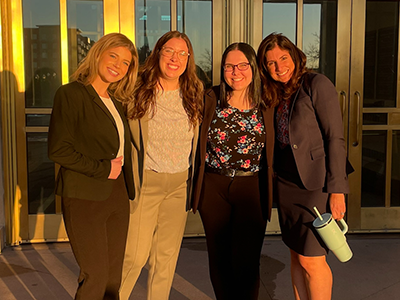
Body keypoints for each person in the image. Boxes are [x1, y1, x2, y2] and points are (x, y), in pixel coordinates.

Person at [257, 32, 350, 300]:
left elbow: (335, 138)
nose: (279, 67)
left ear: (295, 56)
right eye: (271, 63)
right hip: (286, 185)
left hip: (316, 186)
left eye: (283, 58)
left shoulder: (316, 84)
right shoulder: (275, 93)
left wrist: (337, 190)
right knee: (297, 256)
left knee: (313, 260)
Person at [48, 33, 138, 299]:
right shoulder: (71, 93)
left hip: (118, 195)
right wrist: (102, 169)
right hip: (85, 196)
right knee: (95, 275)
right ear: (98, 53)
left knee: (112, 278)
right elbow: (58, 150)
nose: (118, 66)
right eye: (114, 56)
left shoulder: (117, 101)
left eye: (126, 63)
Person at [119, 31, 204, 300]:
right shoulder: (137, 90)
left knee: (165, 260)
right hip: (147, 182)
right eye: (169, 51)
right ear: (158, 53)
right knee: (135, 255)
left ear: (188, 59)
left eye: (182, 53)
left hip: (179, 185)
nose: (175, 58)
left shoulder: (194, 92)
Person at [191, 42, 275, 300]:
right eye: (229, 66)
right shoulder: (210, 98)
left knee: (247, 262)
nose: (235, 72)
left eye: (242, 65)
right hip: (213, 187)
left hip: (251, 187)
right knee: (219, 258)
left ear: (253, 68)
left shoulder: (268, 102)